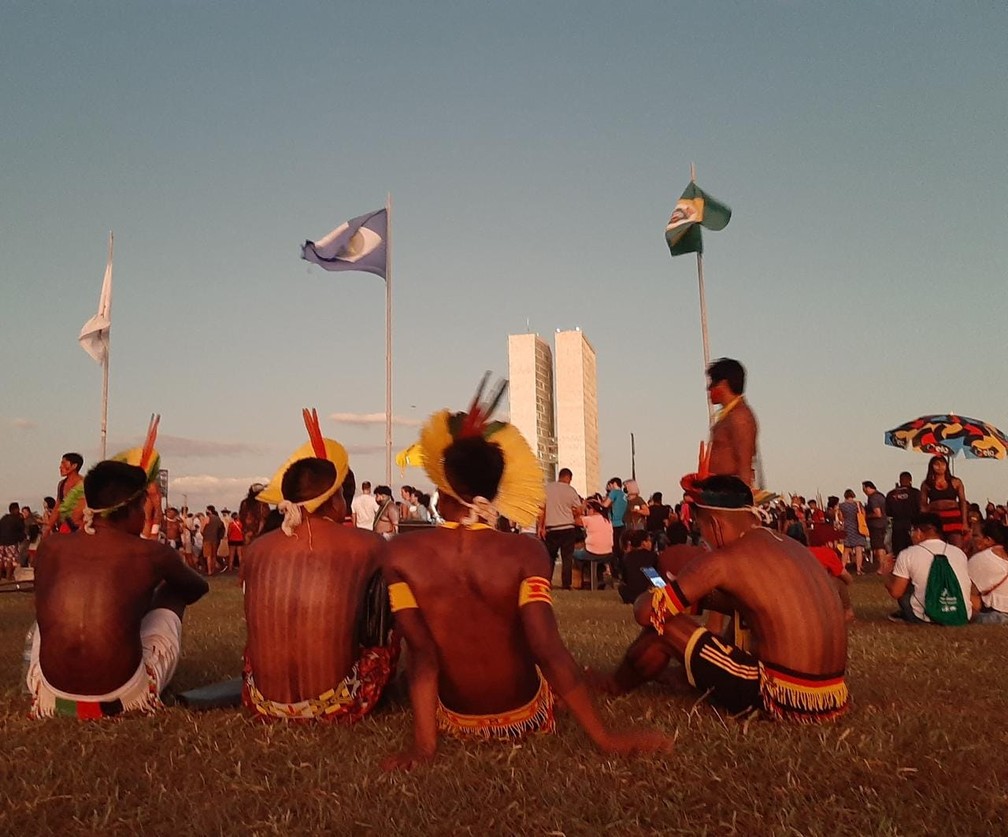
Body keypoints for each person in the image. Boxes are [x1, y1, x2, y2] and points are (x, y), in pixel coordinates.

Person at [383, 379, 673, 769]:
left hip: (454, 716)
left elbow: (421, 654)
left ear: (442, 486)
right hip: (524, 713)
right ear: (495, 488)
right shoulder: (525, 551)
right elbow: (547, 649)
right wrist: (606, 739)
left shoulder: (400, 553)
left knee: (406, 671)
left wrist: (423, 747)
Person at [597, 474, 849, 723]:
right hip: (832, 695)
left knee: (664, 627)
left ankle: (612, 686)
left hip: (781, 694)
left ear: (716, 525)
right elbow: (755, 605)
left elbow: (647, 614)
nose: (704, 537)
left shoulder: (726, 558)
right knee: (729, 617)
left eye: (701, 528)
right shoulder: (790, 546)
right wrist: (700, 598)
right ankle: (685, 676)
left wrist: (655, 592)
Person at [241, 411, 397, 721]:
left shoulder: (256, 549)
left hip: (262, 703)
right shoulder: (368, 545)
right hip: (337, 704)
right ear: (333, 498)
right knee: (393, 595)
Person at [27, 454, 209, 718]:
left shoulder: (51, 546)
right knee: (173, 591)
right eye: (143, 507)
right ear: (132, 508)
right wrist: (150, 589)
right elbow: (196, 588)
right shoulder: (151, 553)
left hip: (50, 694)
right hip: (122, 697)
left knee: (55, 608)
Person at [886, 513, 979, 624]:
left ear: (919, 532)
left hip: (927, 617)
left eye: (912, 531)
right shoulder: (959, 553)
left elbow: (896, 592)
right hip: (961, 613)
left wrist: (885, 574)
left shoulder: (908, 554)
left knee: (905, 597)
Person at [706, 358, 758, 488]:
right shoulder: (728, 415)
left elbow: (745, 464)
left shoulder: (740, 416)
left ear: (723, 384)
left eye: (713, 383)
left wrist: (743, 496)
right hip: (719, 489)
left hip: (730, 492)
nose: (708, 388)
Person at [538, 467, 583, 590]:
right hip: (567, 527)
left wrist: (541, 527)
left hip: (551, 528)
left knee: (550, 557)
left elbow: (542, 509)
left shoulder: (547, 488)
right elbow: (579, 510)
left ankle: (547, 582)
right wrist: (573, 513)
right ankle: (566, 584)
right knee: (567, 557)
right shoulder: (571, 490)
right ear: (569, 478)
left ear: (559, 476)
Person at [920, 455, 968, 549]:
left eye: (942, 464)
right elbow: (923, 505)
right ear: (932, 466)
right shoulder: (926, 484)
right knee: (937, 548)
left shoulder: (956, 482)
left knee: (956, 548)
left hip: (953, 519)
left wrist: (964, 522)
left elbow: (962, 501)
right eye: (937, 464)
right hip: (936, 520)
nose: (940, 467)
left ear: (946, 466)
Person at [968, 520, 1008, 624]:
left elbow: (966, 593)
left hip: (997, 614)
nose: (970, 539)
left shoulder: (981, 559)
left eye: (975, 536)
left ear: (988, 540)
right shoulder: (1001, 554)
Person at [572, 499, 612, 590]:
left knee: (573, 554)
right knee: (594, 559)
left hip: (592, 553)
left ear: (591, 510)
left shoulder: (589, 519)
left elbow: (576, 521)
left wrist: (580, 509)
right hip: (608, 552)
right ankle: (600, 579)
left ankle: (586, 579)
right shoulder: (607, 520)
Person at [43, 452, 85, 537]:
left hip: (83, 528)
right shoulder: (62, 484)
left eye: (64, 463)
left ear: (74, 466)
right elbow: (57, 507)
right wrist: (48, 527)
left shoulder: (84, 484)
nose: (60, 467)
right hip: (66, 527)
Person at [885, 472, 920, 559]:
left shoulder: (891, 494)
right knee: (914, 548)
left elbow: (887, 511)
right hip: (912, 524)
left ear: (900, 480)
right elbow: (920, 508)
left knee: (899, 550)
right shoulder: (916, 493)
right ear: (910, 480)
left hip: (897, 524)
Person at [837, 489, 869, 575]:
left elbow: (841, 518)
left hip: (847, 527)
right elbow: (863, 514)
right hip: (858, 527)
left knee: (846, 549)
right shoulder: (857, 504)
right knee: (858, 549)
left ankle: (842, 568)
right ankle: (858, 569)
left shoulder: (841, 505)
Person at [862, 481, 890, 573]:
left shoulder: (873, 498)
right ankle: (884, 566)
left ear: (867, 488)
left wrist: (867, 516)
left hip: (876, 525)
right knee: (881, 546)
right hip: (883, 524)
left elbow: (878, 513)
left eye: (864, 489)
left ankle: (881, 567)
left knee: (878, 547)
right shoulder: (881, 496)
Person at [0, 501, 26, 580]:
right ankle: (8, 578)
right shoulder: (17, 519)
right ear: (16, 509)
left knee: (1, 560)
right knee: (10, 560)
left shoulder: (3, 518)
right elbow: (22, 530)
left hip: (1, 543)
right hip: (11, 542)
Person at [201, 506, 225, 574]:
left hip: (207, 539)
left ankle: (209, 571)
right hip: (215, 539)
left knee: (208, 555)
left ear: (209, 510)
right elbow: (220, 528)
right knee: (214, 555)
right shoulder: (218, 519)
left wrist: (204, 534)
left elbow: (201, 530)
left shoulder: (207, 518)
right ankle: (213, 569)